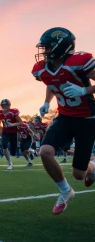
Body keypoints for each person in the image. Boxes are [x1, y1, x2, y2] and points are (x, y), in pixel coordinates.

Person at [32, 27, 95, 214]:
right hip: (65, 116)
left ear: (61, 47)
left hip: (87, 119)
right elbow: (52, 82)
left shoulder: (79, 62)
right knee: (45, 151)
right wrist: (46, 102)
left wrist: (84, 91)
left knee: (78, 174)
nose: (44, 52)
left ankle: (92, 165)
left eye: (48, 47)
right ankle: (66, 192)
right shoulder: (42, 69)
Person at [0, 99, 23, 170]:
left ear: (8, 105)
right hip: (5, 131)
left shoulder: (13, 112)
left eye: (5, 105)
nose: (4, 107)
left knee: (13, 152)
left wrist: (13, 124)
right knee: (4, 145)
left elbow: (21, 122)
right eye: (3, 105)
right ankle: (10, 163)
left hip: (13, 132)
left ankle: (14, 150)